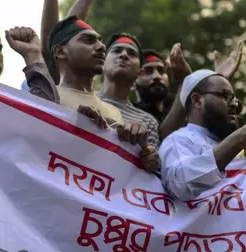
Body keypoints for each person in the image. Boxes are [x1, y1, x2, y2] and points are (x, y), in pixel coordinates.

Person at [160, 70, 246, 201]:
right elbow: (180, 185)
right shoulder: (178, 140)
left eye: (235, 99)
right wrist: (238, 140)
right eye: (225, 96)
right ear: (197, 101)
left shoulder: (237, 149)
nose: (235, 104)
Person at [97, 34, 161, 172]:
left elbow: (151, 174)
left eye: (132, 53)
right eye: (117, 51)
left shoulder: (148, 121)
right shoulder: (78, 98)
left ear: (140, 72)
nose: (124, 55)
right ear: (102, 62)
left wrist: (151, 158)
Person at [47, 16, 121, 123]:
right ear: (60, 52)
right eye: (88, 40)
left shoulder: (115, 113)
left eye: (100, 41)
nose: (102, 46)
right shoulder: (46, 99)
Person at [133, 50, 172, 123]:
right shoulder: (127, 116)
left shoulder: (186, 114)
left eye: (161, 71)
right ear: (133, 83)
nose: (157, 76)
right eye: (148, 71)